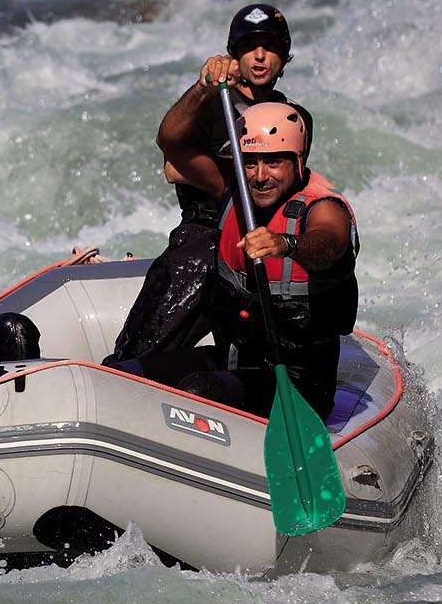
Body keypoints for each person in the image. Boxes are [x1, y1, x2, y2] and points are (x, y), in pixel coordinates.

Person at [105, 3, 313, 365]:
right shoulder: (210, 102)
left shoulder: (294, 117)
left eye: (271, 46)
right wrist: (203, 88)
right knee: (144, 348)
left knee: (257, 357)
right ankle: (126, 371)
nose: (260, 56)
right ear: (234, 54)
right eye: (250, 46)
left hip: (259, 238)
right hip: (204, 237)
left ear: (284, 54)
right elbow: (169, 142)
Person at [128, 100, 357, 420]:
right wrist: (203, 88)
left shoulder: (323, 208)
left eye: (274, 162)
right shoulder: (230, 188)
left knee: (200, 392)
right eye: (250, 163)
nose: (260, 176)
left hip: (297, 385)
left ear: (298, 161)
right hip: (233, 359)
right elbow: (172, 142)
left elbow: (329, 243)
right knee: (126, 374)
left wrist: (286, 244)